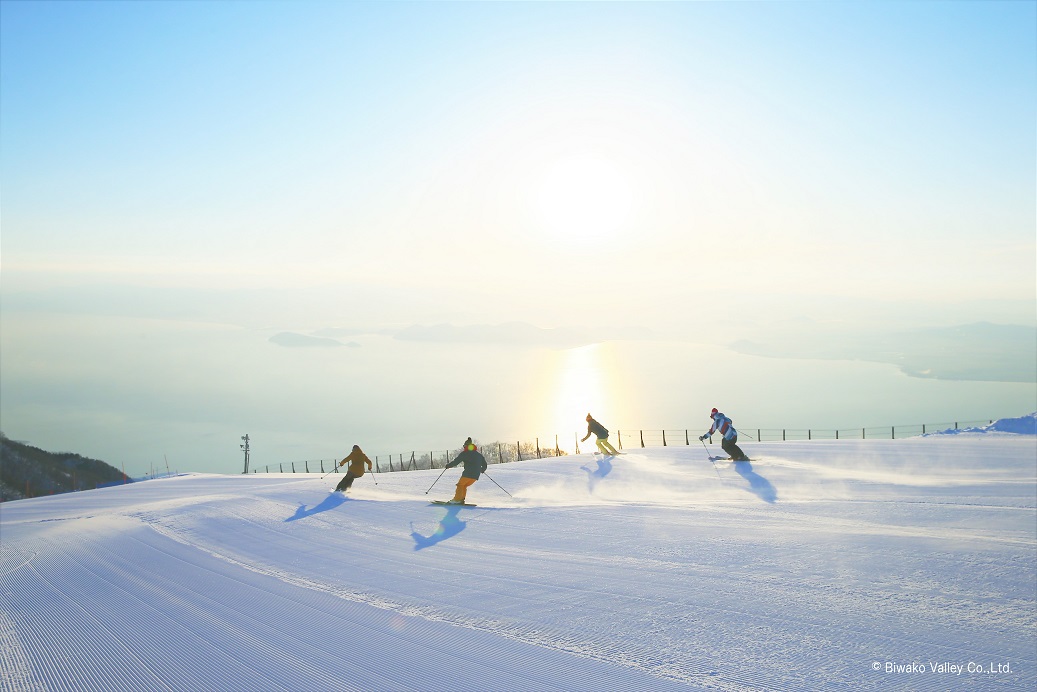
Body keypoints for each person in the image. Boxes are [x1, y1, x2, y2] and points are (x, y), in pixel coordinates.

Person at [443, 437, 487, 504]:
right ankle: (461, 500)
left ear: (466, 446)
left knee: (460, 485)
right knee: (464, 485)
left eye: (464, 446)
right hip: (475, 476)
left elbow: (456, 462)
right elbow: (485, 464)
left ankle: (457, 500)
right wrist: (482, 470)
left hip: (468, 474)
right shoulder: (479, 455)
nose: (464, 448)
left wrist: (448, 465)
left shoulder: (465, 453)